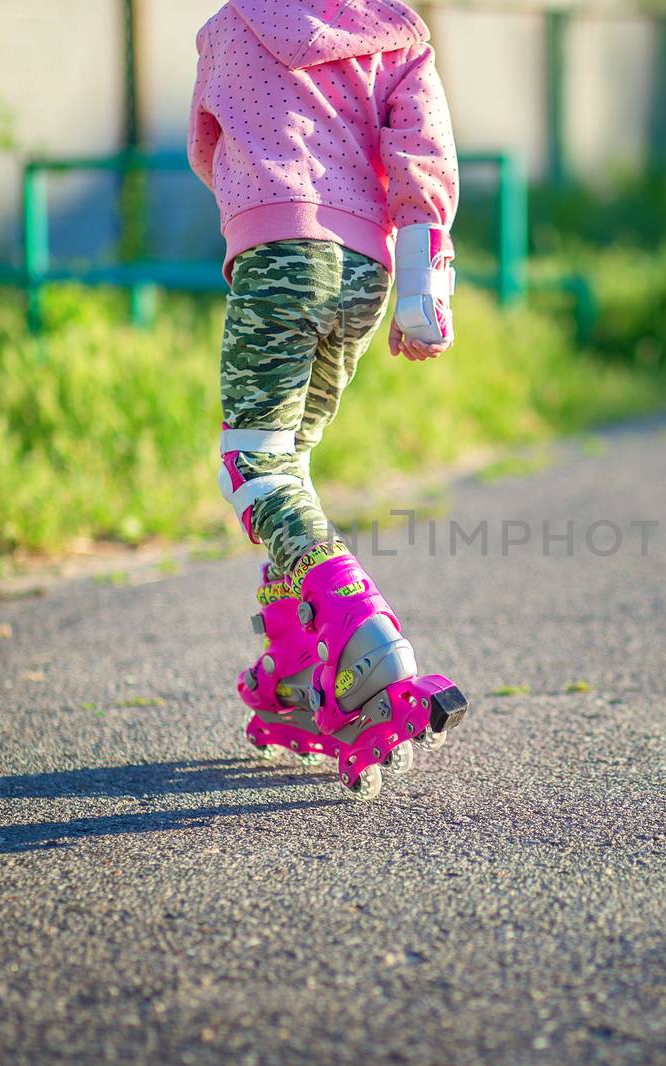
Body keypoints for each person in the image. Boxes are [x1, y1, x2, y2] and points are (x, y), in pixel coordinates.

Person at [187, 0, 468, 801]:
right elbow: (424, 155)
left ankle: (359, 622)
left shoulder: (228, 26)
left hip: (279, 252)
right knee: (292, 463)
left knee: (253, 468)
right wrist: (424, 279)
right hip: (366, 272)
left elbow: (207, 149)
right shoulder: (398, 29)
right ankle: (293, 665)